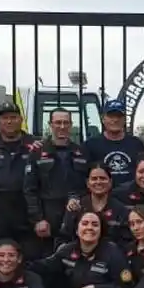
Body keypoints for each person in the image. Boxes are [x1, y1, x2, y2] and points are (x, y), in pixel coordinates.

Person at [24, 109, 90, 258]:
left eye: (66, 122)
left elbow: (88, 185)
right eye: (58, 122)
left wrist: (79, 200)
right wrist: (38, 219)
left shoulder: (81, 152)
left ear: (71, 125)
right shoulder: (37, 152)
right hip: (47, 218)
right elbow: (30, 189)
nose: (62, 126)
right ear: (50, 125)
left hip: (75, 216)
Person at [0, 100, 40, 256]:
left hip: (27, 212)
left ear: (21, 119)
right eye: (5, 118)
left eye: (13, 117)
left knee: (29, 258)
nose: (9, 121)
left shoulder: (36, 145)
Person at [60, 164, 130, 249]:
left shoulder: (121, 210)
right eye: (94, 179)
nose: (98, 182)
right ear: (88, 183)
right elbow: (64, 237)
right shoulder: (76, 207)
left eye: (103, 178)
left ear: (110, 182)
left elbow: (126, 242)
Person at [81, 97, 144, 188]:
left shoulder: (137, 144)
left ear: (124, 119)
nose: (115, 120)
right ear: (103, 119)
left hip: (131, 197)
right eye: (111, 116)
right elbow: (83, 175)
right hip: (102, 197)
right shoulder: (90, 145)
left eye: (119, 116)